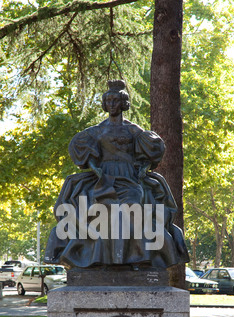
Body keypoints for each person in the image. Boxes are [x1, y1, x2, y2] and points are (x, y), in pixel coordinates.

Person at [44, 80, 189, 269]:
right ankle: (102, 261)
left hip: (130, 178)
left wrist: (143, 169)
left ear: (123, 103)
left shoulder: (134, 130)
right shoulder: (96, 131)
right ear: (105, 104)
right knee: (105, 213)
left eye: (116, 100)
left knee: (133, 210)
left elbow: (153, 149)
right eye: (109, 101)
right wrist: (96, 170)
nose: (112, 104)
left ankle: (138, 258)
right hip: (104, 180)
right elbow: (83, 153)